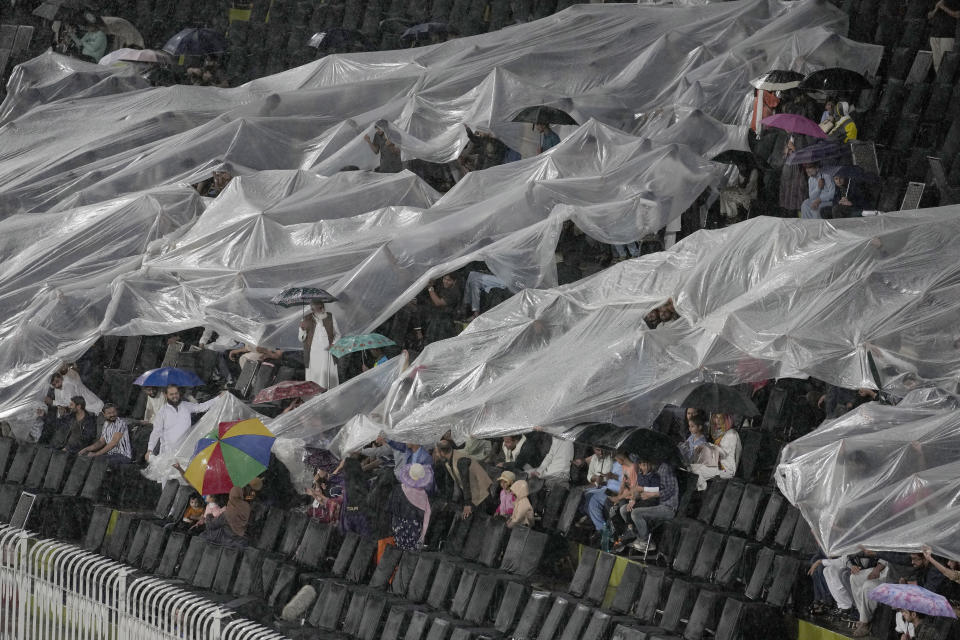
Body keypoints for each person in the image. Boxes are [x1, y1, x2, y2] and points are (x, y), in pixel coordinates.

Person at [145, 385, 221, 460]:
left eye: (176, 393)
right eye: (171, 394)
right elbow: (156, 432)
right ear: (166, 395)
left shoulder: (186, 405)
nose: (174, 396)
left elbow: (201, 407)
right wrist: (149, 450)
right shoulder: (162, 412)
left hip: (186, 451)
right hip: (168, 455)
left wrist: (219, 398)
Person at [624, 460, 678, 553]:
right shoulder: (652, 470)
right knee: (623, 510)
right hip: (653, 503)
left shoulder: (665, 468)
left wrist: (652, 495)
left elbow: (670, 490)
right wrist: (633, 499)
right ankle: (637, 537)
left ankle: (645, 542)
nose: (642, 466)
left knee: (636, 513)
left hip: (667, 507)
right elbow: (640, 488)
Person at [436, 440, 494, 519]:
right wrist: (447, 500)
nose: (436, 454)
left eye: (437, 452)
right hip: (472, 492)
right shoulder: (447, 462)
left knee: (485, 516)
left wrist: (467, 504)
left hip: (481, 490)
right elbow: (450, 483)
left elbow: (465, 482)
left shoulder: (460, 460)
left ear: (442, 452)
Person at [689, 413, 742, 489]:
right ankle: (701, 488)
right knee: (692, 467)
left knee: (697, 471)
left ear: (727, 420)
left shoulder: (731, 434)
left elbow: (723, 454)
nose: (716, 421)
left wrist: (711, 446)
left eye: (720, 418)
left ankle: (702, 489)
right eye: (715, 418)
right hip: (717, 464)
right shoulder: (721, 433)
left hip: (726, 468)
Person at [389, 463, 433, 551]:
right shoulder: (423, 494)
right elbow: (427, 516)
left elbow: (392, 508)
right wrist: (422, 536)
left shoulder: (398, 489)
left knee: (399, 550)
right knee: (411, 554)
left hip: (398, 524)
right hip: (414, 528)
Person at [299, 299, 341, 390]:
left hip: (327, 351)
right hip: (313, 353)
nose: (322, 309)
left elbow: (338, 334)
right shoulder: (305, 319)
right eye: (320, 308)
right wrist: (302, 329)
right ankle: (316, 397)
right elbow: (301, 338)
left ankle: (331, 395)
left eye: (322, 307)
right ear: (313, 310)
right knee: (315, 377)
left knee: (328, 377)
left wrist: (333, 344)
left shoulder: (330, 316)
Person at [422, 275, 462, 344]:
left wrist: (430, 288)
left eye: (449, 280)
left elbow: (438, 303)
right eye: (444, 279)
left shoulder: (454, 292)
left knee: (439, 343)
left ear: (454, 281)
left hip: (445, 323)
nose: (445, 281)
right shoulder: (444, 287)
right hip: (436, 319)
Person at [929, 0, 960, 72]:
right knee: (936, 64)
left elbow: (957, 15)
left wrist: (943, 7)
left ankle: (944, 82)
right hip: (934, 34)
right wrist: (936, 8)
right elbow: (929, 16)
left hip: (947, 35)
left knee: (946, 63)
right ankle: (939, 81)